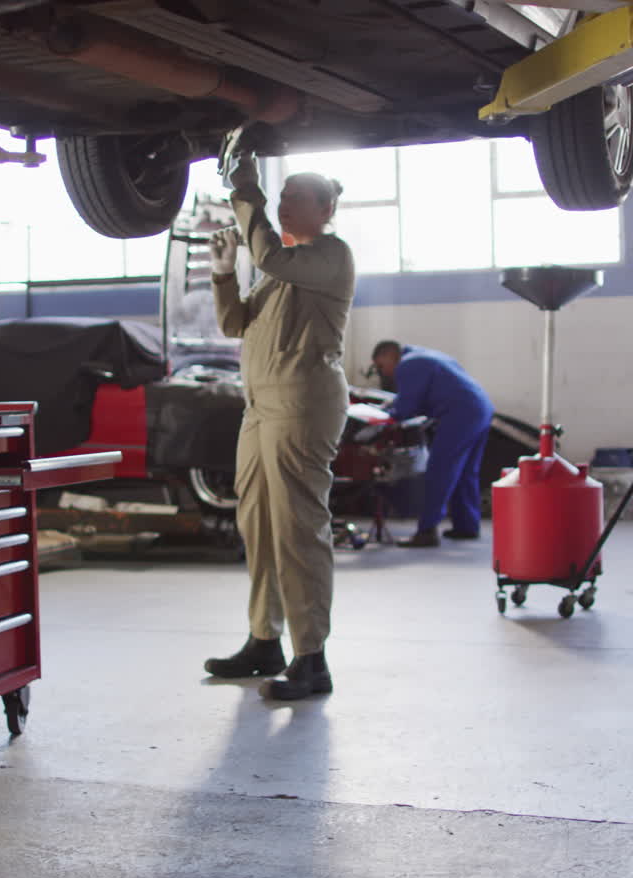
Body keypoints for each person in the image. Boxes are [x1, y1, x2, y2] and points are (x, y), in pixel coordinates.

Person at [204, 156, 355, 700]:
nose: (284, 204)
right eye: (281, 195)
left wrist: (246, 189)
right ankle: (265, 640)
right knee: (258, 525)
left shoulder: (330, 256)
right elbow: (233, 324)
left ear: (326, 210)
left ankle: (311, 658)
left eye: (296, 198)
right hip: (260, 406)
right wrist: (223, 274)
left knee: (297, 529)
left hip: (301, 404)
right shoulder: (280, 271)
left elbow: (267, 251)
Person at [371, 340, 494, 548]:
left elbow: (405, 409)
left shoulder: (407, 365)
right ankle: (467, 526)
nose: (383, 373)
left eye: (381, 366)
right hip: (481, 408)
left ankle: (426, 531)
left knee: (440, 470)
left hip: (460, 414)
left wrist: (381, 414)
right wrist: (392, 405)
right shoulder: (425, 356)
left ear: (389, 355)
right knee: (466, 472)